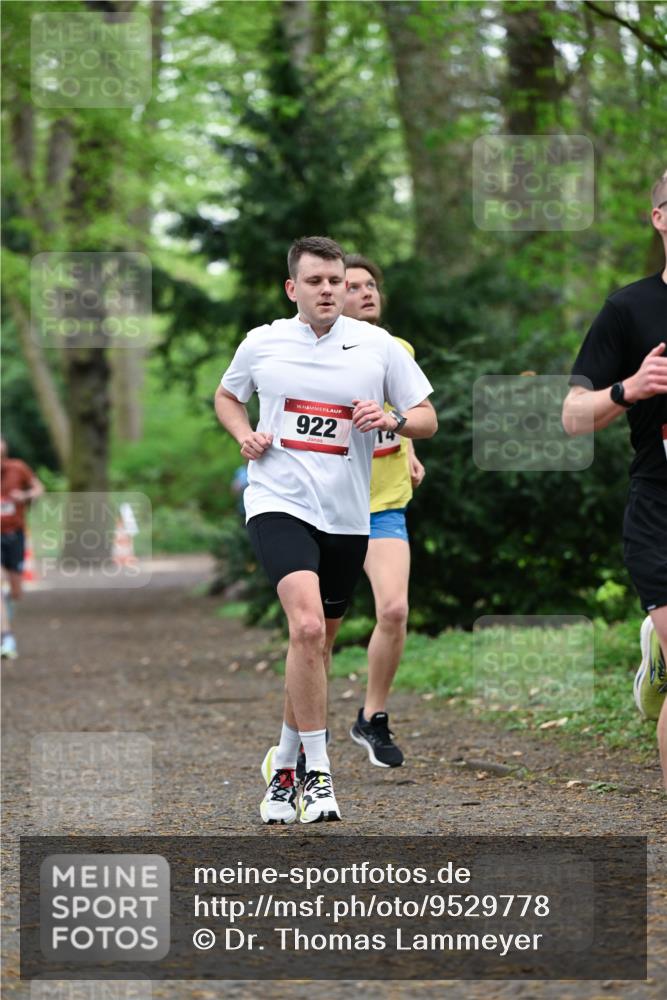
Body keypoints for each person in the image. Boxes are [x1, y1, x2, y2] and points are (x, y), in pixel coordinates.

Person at [214, 236, 436, 824]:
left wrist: (391, 417)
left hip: (347, 514)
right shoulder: (263, 342)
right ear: (293, 288)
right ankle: (318, 772)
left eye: (336, 280)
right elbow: (227, 395)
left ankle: (284, 766)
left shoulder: (378, 347)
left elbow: (427, 417)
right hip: (278, 500)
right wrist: (244, 435)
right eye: (315, 281)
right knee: (307, 625)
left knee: (317, 644)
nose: (329, 290)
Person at [562, 171, 667, 791]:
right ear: (659, 218)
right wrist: (630, 389)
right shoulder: (628, 309)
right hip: (660, 505)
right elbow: (572, 416)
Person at [341, 253, 425, 768]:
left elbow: (411, 410)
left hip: (383, 505)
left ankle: (371, 716)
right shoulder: (314, 354)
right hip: (328, 508)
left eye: (371, 284)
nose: (366, 292)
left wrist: (408, 449)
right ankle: (299, 738)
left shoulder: (399, 349)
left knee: (393, 610)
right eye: (353, 286)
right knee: (314, 629)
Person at [1, 436, 44, 659]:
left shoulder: (18, 468)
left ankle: (5, 611)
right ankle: (6, 636)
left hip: (15, 534)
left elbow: (39, 489)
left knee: (16, 591)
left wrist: (24, 496)